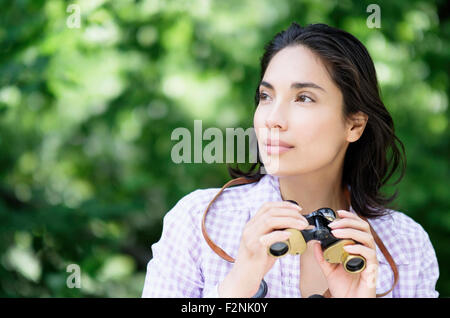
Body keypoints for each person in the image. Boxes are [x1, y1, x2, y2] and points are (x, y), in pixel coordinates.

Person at [142, 22, 439, 298]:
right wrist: (239, 284)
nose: (273, 119)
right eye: (266, 96)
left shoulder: (405, 245)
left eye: (304, 98)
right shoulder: (199, 220)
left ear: (354, 125)